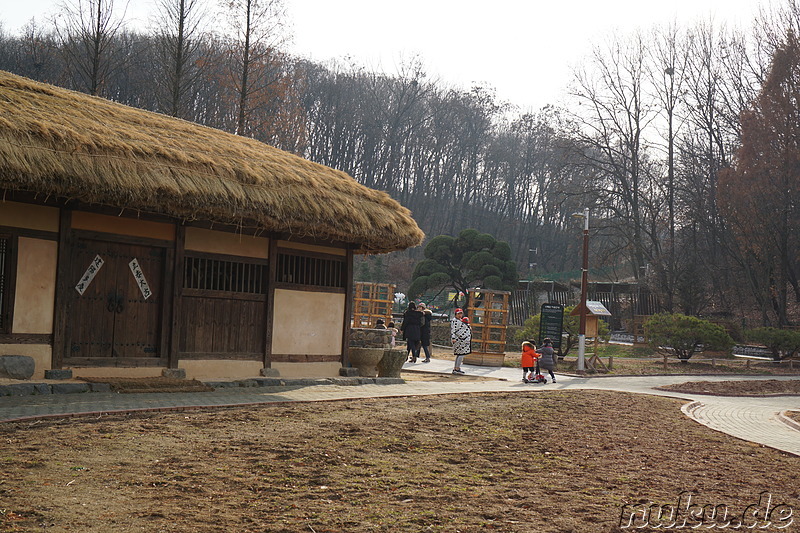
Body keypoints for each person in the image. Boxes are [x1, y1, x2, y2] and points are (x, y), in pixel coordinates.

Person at [450, 308, 471, 374]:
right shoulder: (455, 321)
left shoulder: (460, 320)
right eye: (458, 314)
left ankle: (456, 368)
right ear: (455, 314)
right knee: (461, 354)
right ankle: (457, 368)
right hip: (460, 340)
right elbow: (453, 330)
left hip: (463, 340)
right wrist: (453, 338)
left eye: (461, 313)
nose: (460, 315)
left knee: (459, 354)